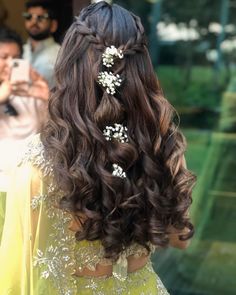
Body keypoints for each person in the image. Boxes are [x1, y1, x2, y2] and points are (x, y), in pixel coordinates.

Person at [0, 2, 196, 294]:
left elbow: (18, 276)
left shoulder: (37, 161)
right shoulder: (158, 143)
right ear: (141, 69)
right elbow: (181, 239)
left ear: (69, 67)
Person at [0, 27, 49, 241]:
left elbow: (52, 133)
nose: (9, 64)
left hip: (31, 187)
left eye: (16, 58)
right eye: (3, 57)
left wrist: (46, 96)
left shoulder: (31, 94)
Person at [22, 0, 60, 87]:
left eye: (41, 17)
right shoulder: (19, 51)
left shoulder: (61, 54)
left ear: (53, 25)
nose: (34, 22)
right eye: (29, 17)